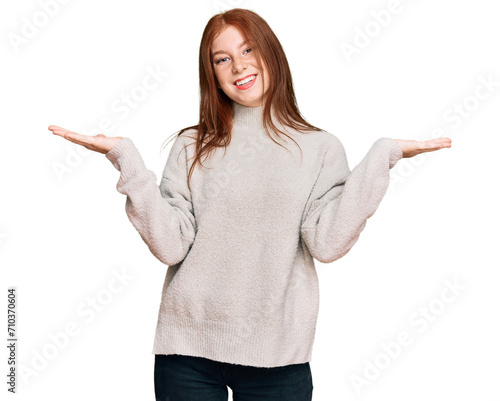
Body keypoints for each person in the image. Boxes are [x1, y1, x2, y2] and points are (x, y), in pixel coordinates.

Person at [48, 8, 451, 401]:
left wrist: (382, 157)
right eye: (222, 59)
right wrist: (126, 160)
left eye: (247, 50)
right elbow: (170, 246)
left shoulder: (320, 149)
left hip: (278, 358)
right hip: (187, 352)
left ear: (271, 53)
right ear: (212, 75)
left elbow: (327, 244)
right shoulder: (192, 146)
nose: (238, 66)